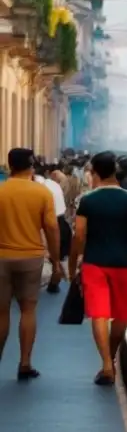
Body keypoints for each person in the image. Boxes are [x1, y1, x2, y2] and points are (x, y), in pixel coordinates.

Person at [69, 151, 127, 385]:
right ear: (115, 172)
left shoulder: (87, 200)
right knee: (122, 316)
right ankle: (111, 358)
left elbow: (80, 235)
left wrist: (73, 262)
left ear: (94, 173)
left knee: (98, 314)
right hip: (123, 264)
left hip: (94, 263)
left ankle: (106, 364)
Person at [0, 148, 62, 379]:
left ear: (9, 166)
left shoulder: (1, 191)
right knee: (28, 310)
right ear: (31, 166)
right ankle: (25, 363)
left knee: (1, 312)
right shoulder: (41, 193)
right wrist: (56, 261)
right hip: (31, 257)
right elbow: (52, 228)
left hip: (1, 256)